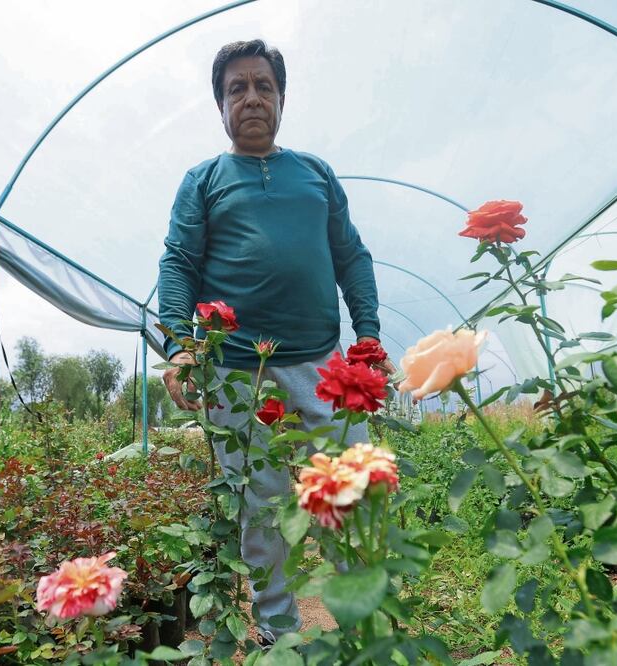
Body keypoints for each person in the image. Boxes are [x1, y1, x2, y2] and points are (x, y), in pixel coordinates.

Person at [156, 39, 393, 645]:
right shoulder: (204, 179)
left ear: (281, 98)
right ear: (221, 105)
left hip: (322, 365)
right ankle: (277, 631)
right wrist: (181, 347)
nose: (252, 98)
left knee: (351, 487)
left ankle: (359, 618)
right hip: (239, 371)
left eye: (263, 85)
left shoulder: (314, 173)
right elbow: (179, 262)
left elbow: (351, 254)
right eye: (237, 89)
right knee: (258, 506)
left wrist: (367, 334)